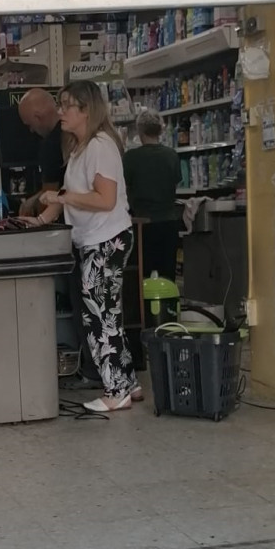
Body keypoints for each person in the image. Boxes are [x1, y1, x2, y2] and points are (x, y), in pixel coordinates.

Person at [34, 79, 139, 413]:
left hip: (106, 240)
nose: (60, 112)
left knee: (100, 317)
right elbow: (67, 199)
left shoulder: (100, 146)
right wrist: (38, 220)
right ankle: (128, 382)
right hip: (92, 240)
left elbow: (105, 200)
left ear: (86, 110)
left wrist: (61, 197)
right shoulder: (79, 148)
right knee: (109, 315)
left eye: (67, 105)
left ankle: (116, 390)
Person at [123, 110, 182, 282]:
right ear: (161, 130)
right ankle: (168, 306)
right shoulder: (171, 155)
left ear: (140, 131)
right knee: (167, 274)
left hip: (142, 224)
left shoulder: (131, 158)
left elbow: (124, 189)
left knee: (143, 274)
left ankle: (146, 308)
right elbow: (175, 183)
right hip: (169, 221)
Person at [17, 88, 64, 214]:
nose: (31, 130)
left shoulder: (51, 145)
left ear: (38, 117)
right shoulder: (88, 139)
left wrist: (37, 218)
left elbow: (49, 198)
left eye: (29, 125)